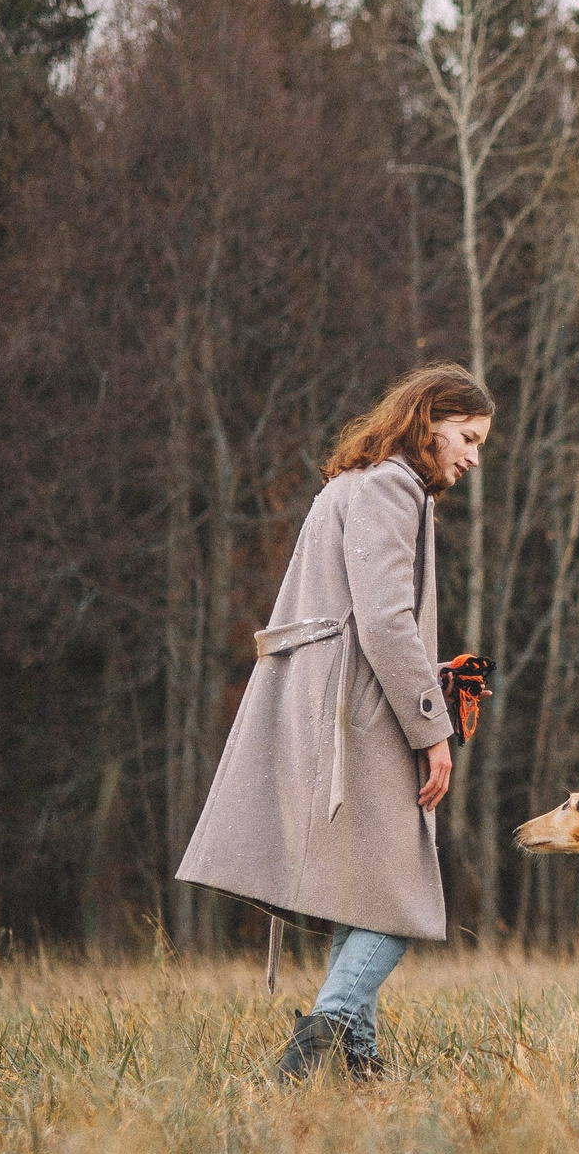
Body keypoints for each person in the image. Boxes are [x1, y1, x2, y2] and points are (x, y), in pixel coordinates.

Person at [175, 362, 492, 1079]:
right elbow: (383, 623)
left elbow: (361, 617)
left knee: (366, 890)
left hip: (341, 705)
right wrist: (434, 729)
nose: (474, 457)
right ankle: (324, 1036)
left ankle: (358, 1059)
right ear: (429, 421)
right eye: (468, 437)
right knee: (400, 898)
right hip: (358, 715)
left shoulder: (356, 483)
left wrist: (429, 681)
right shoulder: (392, 487)